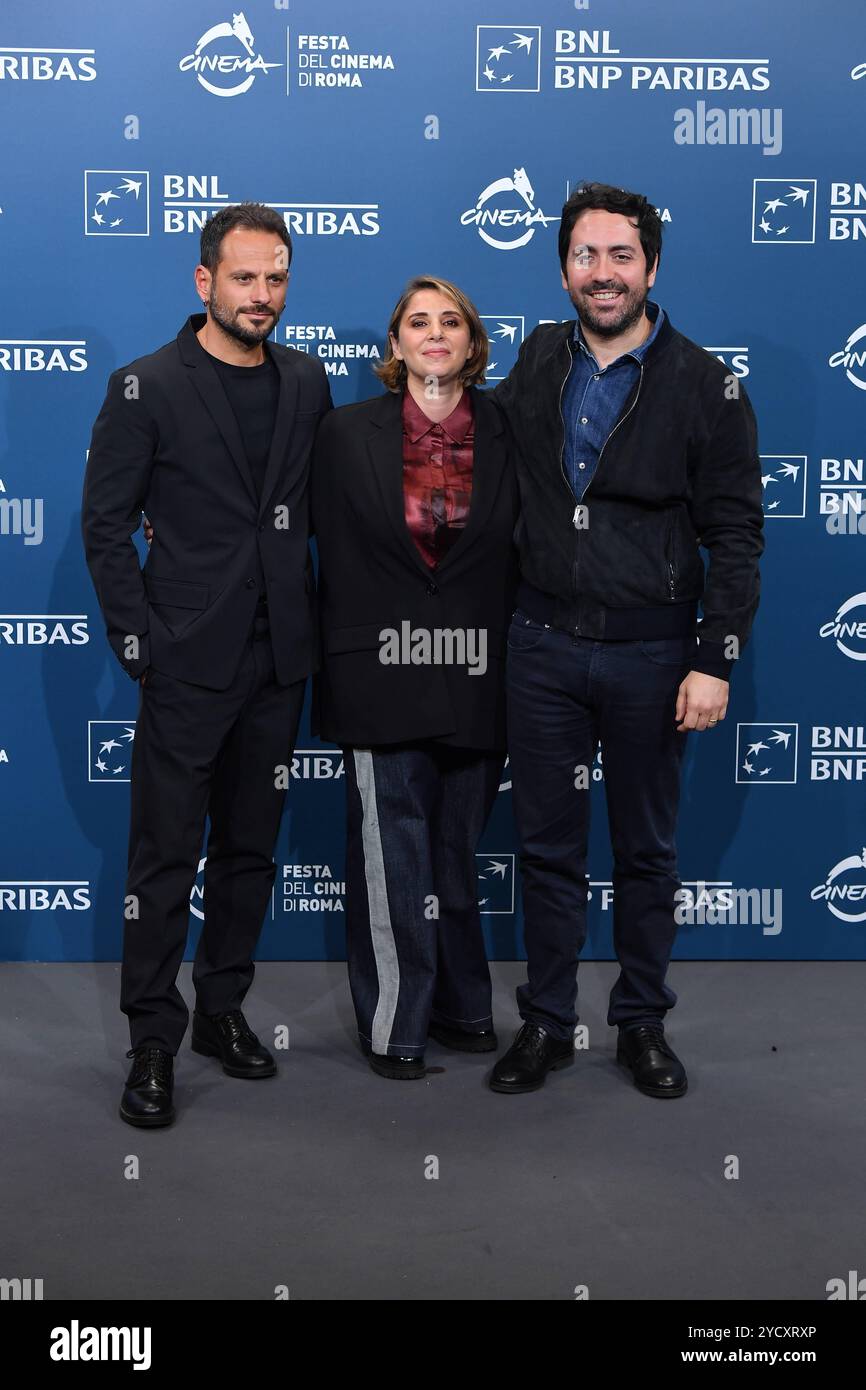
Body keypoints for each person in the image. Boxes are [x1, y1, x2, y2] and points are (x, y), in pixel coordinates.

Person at [489, 182, 764, 1097]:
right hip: (541, 648)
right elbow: (467, 458)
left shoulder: (707, 384)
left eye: (619, 257)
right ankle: (546, 1022)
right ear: (562, 267)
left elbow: (737, 536)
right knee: (547, 848)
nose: (601, 275)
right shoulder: (535, 362)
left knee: (646, 852)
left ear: (652, 266)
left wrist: (712, 657)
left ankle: (642, 1024)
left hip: (654, 655)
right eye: (584, 257)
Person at [82, 203, 331, 1127]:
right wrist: (141, 641)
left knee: (249, 851)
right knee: (164, 858)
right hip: (187, 659)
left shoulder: (306, 384)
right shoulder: (145, 386)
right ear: (204, 282)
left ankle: (220, 1010)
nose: (261, 295)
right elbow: (106, 525)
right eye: (243, 278)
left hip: (280, 660)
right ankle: (153, 1038)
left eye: (275, 279)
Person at [311, 276, 520, 1079]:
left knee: (456, 855)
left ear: (473, 341)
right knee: (390, 857)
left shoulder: (512, 431)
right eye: (418, 322)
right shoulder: (341, 433)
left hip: (478, 670)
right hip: (378, 672)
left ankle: (466, 1007)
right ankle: (398, 1023)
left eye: (452, 321)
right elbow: (277, 519)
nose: (435, 333)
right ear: (395, 345)